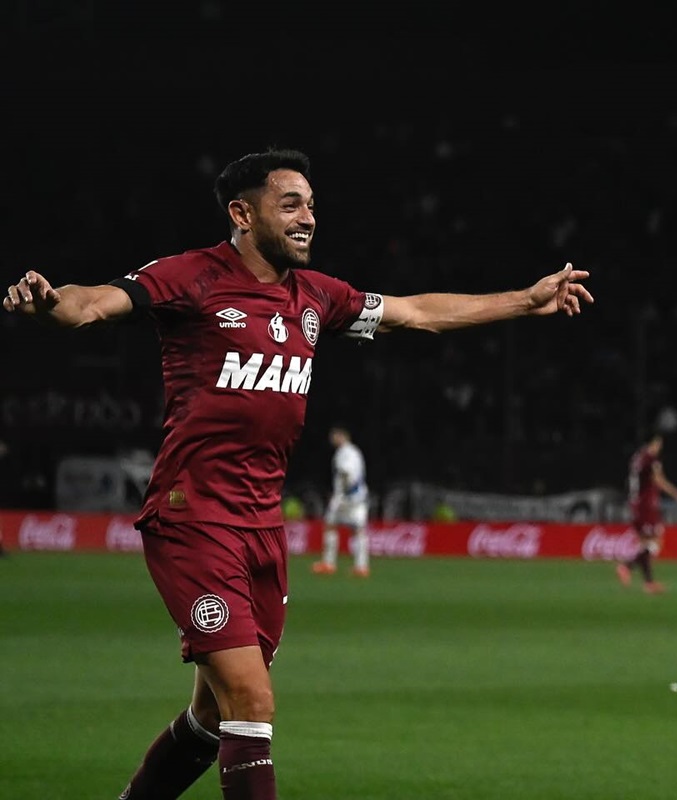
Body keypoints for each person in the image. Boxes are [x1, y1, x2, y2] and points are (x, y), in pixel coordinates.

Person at [2, 147, 593, 800]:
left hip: (263, 529)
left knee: (211, 715)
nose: (309, 216)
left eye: (311, 204)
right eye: (291, 204)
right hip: (193, 521)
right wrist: (50, 303)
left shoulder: (317, 297)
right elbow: (94, 303)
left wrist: (524, 300)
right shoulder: (192, 277)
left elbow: (415, 313)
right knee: (252, 699)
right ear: (241, 213)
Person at [616, 433, 677, 594]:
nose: (659, 448)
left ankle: (646, 581)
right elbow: (659, 481)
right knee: (654, 542)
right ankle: (628, 567)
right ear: (652, 444)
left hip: (636, 503)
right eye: (658, 444)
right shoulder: (651, 459)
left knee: (647, 542)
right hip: (645, 505)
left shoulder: (637, 457)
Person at [312, 425, 371, 577]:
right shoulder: (354, 451)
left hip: (347, 497)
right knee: (357, 530)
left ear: (340, 436)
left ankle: (329, 563)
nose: (332, 439)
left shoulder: (346, 453)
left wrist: (343, 494)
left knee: (331, 525)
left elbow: (346, 473)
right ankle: (361, 566)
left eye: (334, 436)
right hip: (358, 496)